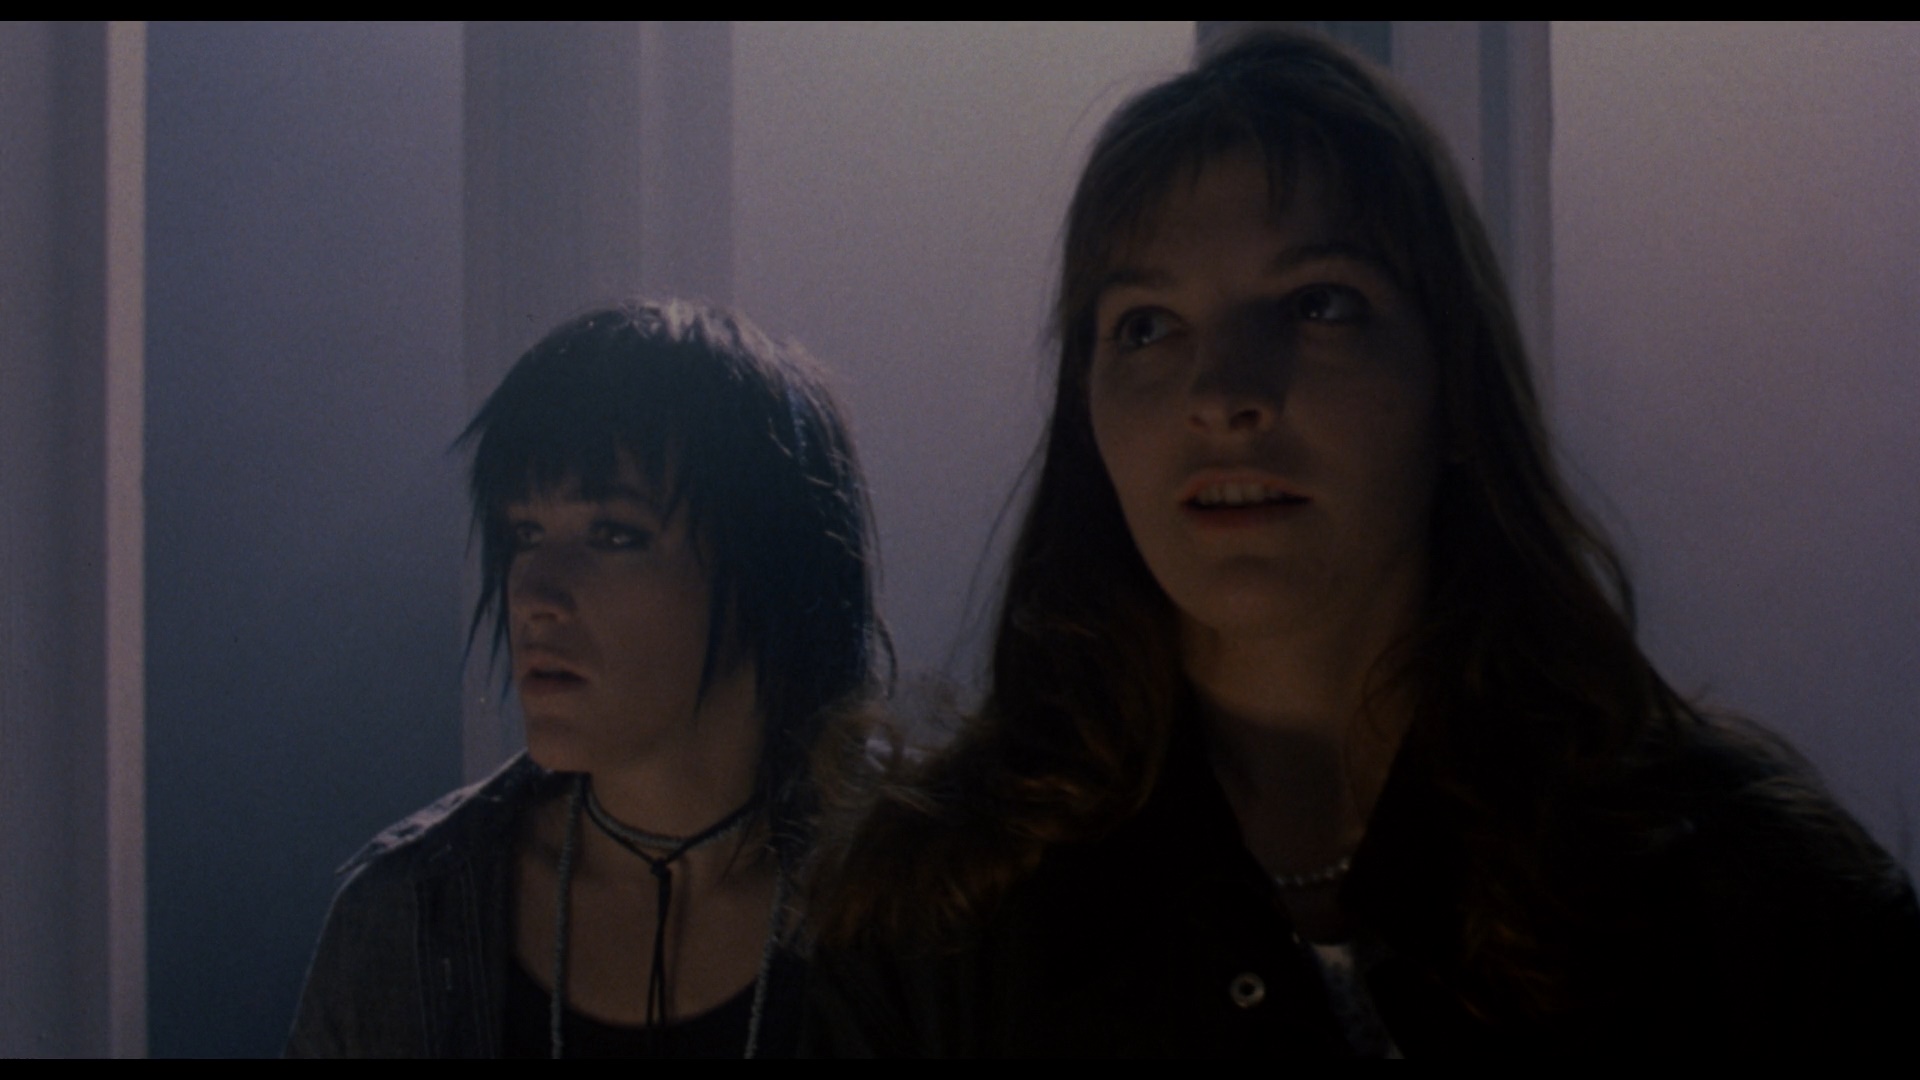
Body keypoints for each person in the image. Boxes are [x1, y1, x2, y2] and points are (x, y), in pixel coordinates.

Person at [802, 31, 1920, 1056]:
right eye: (1147, 326)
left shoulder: (1738, 897)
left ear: (1452, 379)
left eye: (1317, 304)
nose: (1223, 392)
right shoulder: (942, 913)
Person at [288, 299, 883, 1057]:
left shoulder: (928, 904)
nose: (536, 594)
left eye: (614, 535)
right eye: (524, 534)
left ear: (770, 570)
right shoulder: (410, 916)